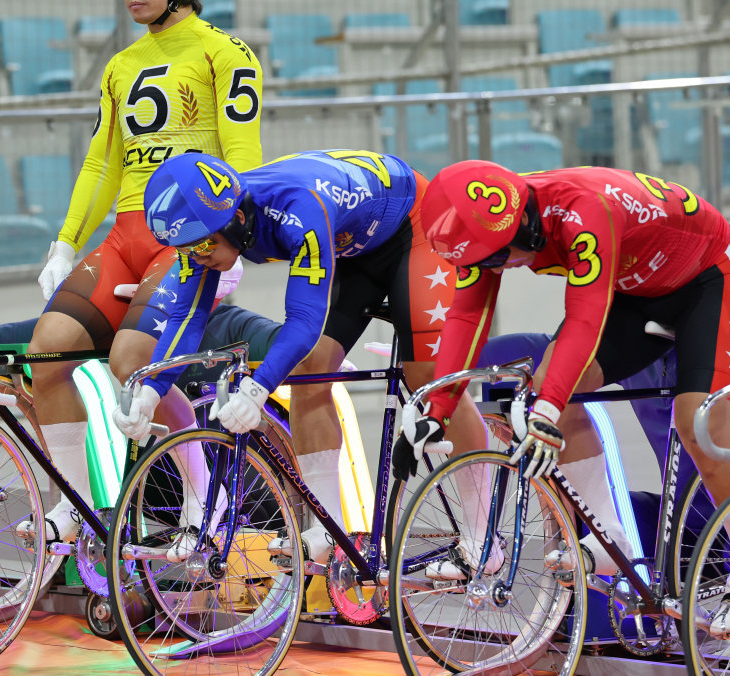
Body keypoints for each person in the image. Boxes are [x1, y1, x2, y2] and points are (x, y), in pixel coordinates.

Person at [25, 0, 263, 545]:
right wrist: (67, 240)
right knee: (45, 356)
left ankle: (201, 500)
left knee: (132, 364)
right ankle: (74, 507)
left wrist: (234, 236)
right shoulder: (120, 65)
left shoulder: (225, 53)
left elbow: (243, 159)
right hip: (127, 235)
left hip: (190, 237)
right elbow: (104, 160)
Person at [127, 149, 475, 565]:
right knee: (309, 370)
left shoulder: (296, 205)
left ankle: (481, 542)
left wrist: (256, 392)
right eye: (185, 249)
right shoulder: (210, 227)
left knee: (429, 379)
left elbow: (304, 320)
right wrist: (150, 393)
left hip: (410, 226)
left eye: (203, 245)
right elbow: (186, 317)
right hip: (351, 244)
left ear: (237, 219)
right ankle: (330, 530)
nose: (197, 257)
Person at [402, 160, 730, 590]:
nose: (501, 266)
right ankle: (611, 538)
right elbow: (466, 317)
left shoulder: (584, 210)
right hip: (634, 284)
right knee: (547, 389)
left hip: (707, 276)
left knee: (700, 425)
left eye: (503, 254)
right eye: (488, 262)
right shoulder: (482, 236)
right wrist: (437, 407)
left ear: (522, 219)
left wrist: (545, 410)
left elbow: (583, 319)